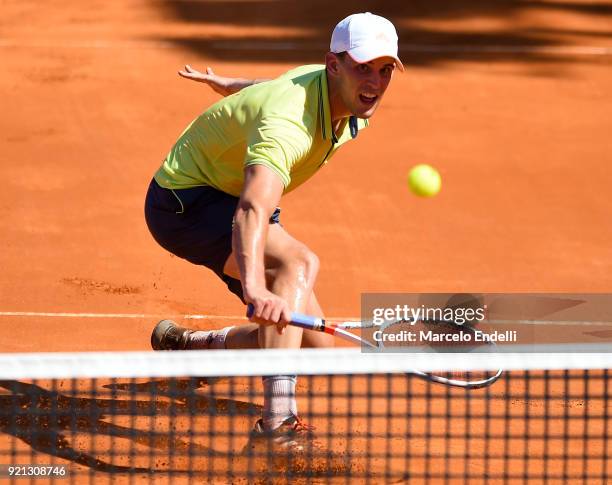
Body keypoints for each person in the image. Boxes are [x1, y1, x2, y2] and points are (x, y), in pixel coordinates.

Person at [144, 12, 403, 457]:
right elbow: (251, 208)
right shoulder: (287, 127)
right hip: (185, 202)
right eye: (363, 67)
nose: (375, 82)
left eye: (384, 70)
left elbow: (279, 84)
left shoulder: (339, 95)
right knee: (296, 263)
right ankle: (276, 425)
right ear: (334, 65)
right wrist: (255, 287)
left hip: (226, 197)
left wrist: (233, 88)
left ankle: (193, 348)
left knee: (322, 354)